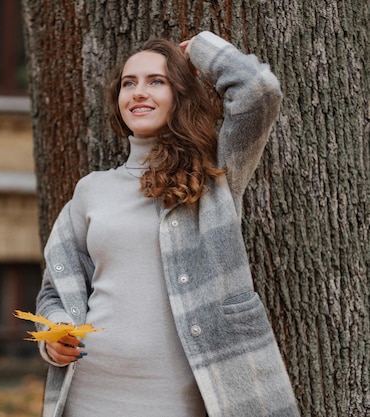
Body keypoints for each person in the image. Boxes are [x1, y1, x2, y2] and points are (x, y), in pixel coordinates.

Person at [34, 31, 300, 417]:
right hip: (88, 393)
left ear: (180, 96)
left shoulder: (215, 175)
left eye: (156, 81)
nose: (139, 92)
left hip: (179, 399)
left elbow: (259, 92)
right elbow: (55, 292)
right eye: (129, 83)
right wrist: (55, 336)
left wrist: (201, 49)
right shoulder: (91, 190)